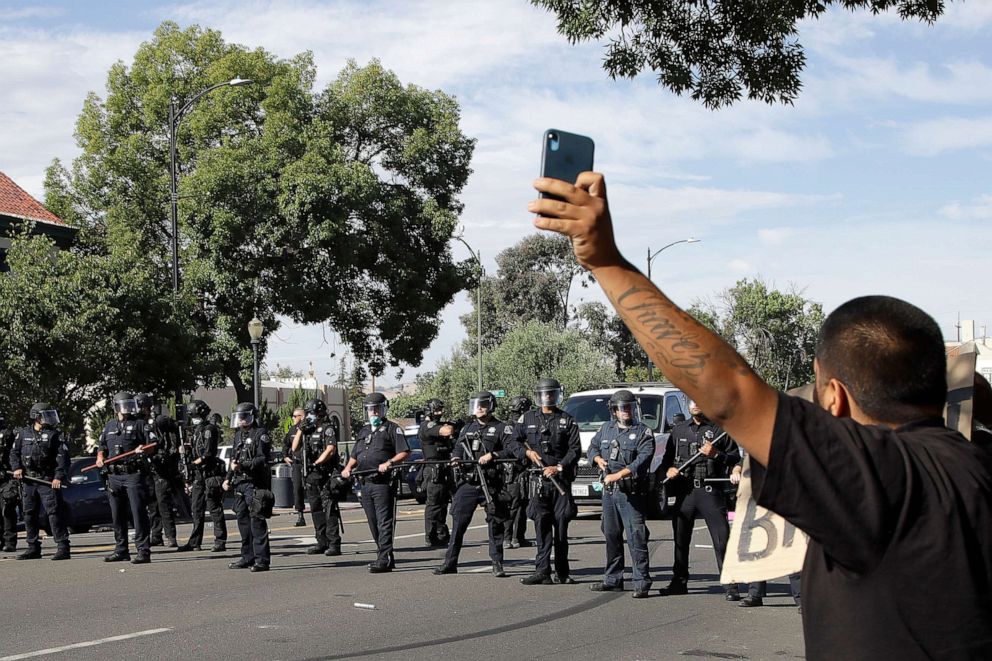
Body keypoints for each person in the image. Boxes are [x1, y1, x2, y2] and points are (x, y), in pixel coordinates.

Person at [529, 172, 992, 659]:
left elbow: (729, 392)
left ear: (833, 397)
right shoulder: (975, 465)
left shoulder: (876, 473)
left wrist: (605, 261)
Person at [660, 400, 741, 600]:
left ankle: (731, 585)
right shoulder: (679, 430)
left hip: (710, 491)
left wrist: (716, 454)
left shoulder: (720, 429)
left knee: (722, 539)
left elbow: (735, 459)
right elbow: (666, 461)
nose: (696, 404)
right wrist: (668, 469)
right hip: (685, 492)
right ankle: (679, 581)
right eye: (692, 401)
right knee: (680, 539)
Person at [433, 392, 516, 578]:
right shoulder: (467, 428)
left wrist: (493, 455)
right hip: (469, 481)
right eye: (476, 405)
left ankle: (497, 562)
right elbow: (457, 447)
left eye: (483, 405)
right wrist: (455, 458)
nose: (479, 408)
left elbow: (511, 449)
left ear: (491, 406)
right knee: (458, 524)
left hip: (491, 481)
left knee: (495, 523)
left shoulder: (502, 428)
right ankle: (450, 562)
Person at [587, 390, 656, 598]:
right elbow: (592, 447)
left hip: (631, 492)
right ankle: (613, 578)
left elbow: (642, 460)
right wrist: (597, 459)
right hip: (609, 492)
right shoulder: (606, 429)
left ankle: (641, 580)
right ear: (613, 410)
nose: (624, 411)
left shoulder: (643, 432)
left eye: (628, 407)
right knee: (611, 534)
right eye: (620, 408)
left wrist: (617, 475)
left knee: (636, 536)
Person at [517, 377, 581, 585]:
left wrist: (559, 466)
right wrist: (527, 454)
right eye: (544, 394)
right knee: (541, 526)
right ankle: (542, 570)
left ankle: (562, 572)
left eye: (551, 394)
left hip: (560, 481)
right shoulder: (526, 419)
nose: (548, 397)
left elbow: (575, 449)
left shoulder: (567, 420)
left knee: (561, 528)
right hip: (537, 481)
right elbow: (513, 443)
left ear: (557, 395)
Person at [341, 392, 409, 573]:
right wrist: (347, 468)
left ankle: (383, 558)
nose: (373, 413)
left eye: (376, 409)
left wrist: (389, 463)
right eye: (370, 409)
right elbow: (355, 455)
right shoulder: (363, 431)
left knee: (384, 521)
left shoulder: (393, 429)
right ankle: (385, 554)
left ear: (383, 409)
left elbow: (404, 452)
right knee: (372, 522)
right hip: (365, 482)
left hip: (383, 483)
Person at [97, 392, 154, 563]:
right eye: (123, 405)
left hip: (133, 473)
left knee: (138, 513)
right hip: (114, 475)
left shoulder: (139, 424)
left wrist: (143, 449)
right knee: (117, 514)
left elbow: (153, 444)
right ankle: (121, 549)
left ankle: (143, 550)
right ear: (116, 407)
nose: (127, 409)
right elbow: (101, 446)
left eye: (129, 405)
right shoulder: (109, 426)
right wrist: (100, 458)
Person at [10, 403, 71, 560]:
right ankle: (33, 547)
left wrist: (58, 476)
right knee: (29, 514)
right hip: (28, 480)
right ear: (36, 417)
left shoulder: (55, 435)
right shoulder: (23, 434)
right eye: (46, 415)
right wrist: (17, 468)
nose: (49, 419)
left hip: (47, 480)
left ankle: (63, 546)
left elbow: (62, 459)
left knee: (54, 513)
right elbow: (14, 453)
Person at [224, 402, 272, 572]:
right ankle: (247, 556)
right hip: (240, 483)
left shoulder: (261, 434)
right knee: (242, 521)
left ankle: (262, 560)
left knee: (257, 522)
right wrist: (228, 478)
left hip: (255, 483)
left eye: (243, 417)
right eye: (239, 417)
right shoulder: (238, 436)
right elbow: (233, 459)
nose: (240, 421)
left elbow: (262, 459)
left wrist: (244, 465)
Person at [292, 399, 342, 556]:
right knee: (316, 509)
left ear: (320, 413)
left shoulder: (328, 428)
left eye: (312, 413)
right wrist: (300, 429)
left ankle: (334, 543)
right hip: (312, 476)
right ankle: (321, 541)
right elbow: (294, 448)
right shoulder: (308, 429)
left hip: (326, 474)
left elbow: (331, 449)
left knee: (329, 509)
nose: (310, 416)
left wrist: (318, 461)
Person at [177, 400, 227, 553]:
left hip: (210, 474)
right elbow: (195, 451)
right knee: (196, 509)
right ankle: (194, 542)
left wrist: (193, 464)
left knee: (214, 508)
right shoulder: (197, 430)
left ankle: (220, 540)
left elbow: (208, 453)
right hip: (199, 476)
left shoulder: (209, 429)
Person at [137, 393, 181, 548]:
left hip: (161, 466)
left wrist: (172, 453)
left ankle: (171, 537)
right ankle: (156, 535)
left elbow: (174, 431)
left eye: (141, 406)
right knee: (152, 504)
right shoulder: (138, 423)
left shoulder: (158, 421)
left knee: (163, 502)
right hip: (147, 467)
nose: (139, 409)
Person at [417, 398, 458, 548]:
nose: (439, 413)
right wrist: (453, 425)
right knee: (434, 504)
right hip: (434, 469)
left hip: (444, 468)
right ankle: (431, 535)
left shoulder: (437, 424)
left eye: (441, 410)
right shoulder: (427, 426)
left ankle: (441, 533)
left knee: (442, 504)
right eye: (437, 410)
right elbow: (447, 431)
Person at [503, 395, 532, 549]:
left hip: (524, 470)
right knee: (512, 506)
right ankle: (507, 537)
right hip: (512, 472)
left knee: (523, 505)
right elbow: (508, 449)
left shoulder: (525, 425)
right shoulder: (509, 427)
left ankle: (519, 536)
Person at [282, 408, 307, 527]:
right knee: (297, 488)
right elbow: (286, 444)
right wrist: (285, 456)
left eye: (294, 416)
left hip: (310, 463)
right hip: (297, 463)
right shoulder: (292, 430)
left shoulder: (310, 429)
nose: (292, 418)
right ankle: (300, 515)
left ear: (302, 417)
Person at [0, 412, 19, 553]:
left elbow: (13, 455)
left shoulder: (7, 435)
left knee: (7, 508)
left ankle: (9, 541)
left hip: (6, 477)